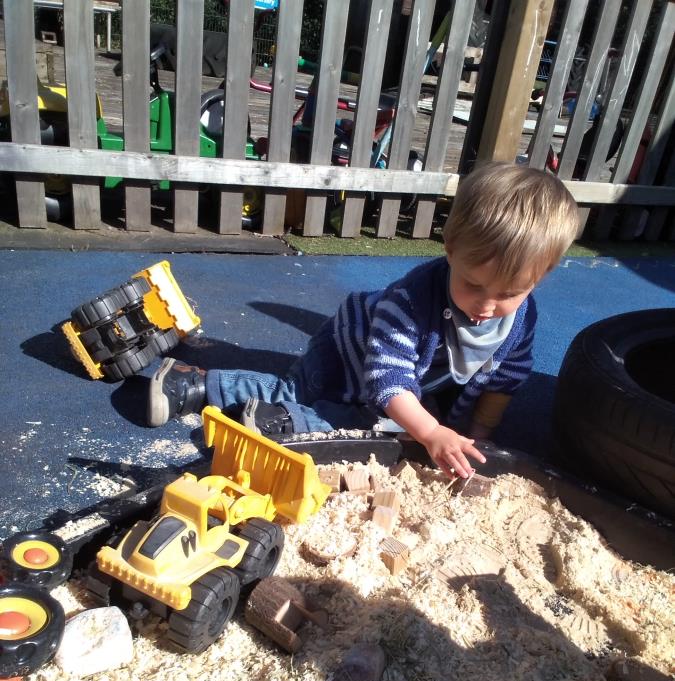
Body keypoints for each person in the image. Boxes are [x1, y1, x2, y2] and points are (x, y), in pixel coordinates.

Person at [147, 162, 578, 479]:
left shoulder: (519, 320)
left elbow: (505, 379)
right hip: (346, 351)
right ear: (448, 248)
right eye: (473, 285)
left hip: (412, 381)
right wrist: (431, 431)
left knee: (382, 426)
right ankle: (198, 383)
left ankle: (281, 418)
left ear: (540, 278)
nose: (486, 306)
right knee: (303, 389)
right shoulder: (409, 301)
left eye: (508, 294)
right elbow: (387, 380)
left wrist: (478, 432)